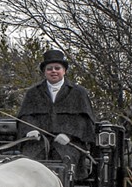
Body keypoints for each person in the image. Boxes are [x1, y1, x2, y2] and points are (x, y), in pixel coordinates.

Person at [16, 49, 96, 179]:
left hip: (68, 143)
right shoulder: (33, 93)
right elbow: (26, 116)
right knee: (28, 162)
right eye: (49, 68)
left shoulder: (78, 92)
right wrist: (30, 130)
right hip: (38, 142)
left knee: (64, 161)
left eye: (57, 68)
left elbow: (84, 121)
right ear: (44, 72)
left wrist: (68, 135)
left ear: (64, 71)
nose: (53, 71)